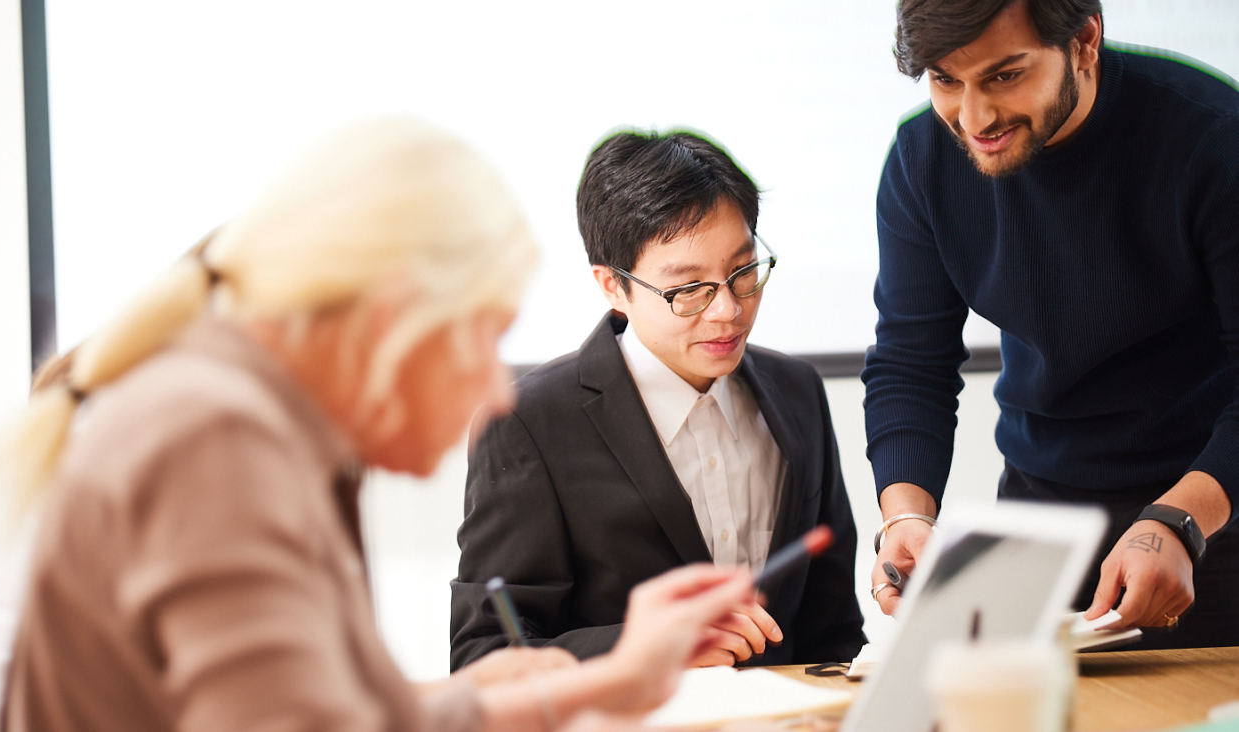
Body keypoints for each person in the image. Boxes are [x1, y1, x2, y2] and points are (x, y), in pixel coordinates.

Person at [0, 118, 760, 732]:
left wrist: (609, 677)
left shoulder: (262, 429)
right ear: (396, 320)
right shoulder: (217, 439)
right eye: (485, 339)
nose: (497, 395)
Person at [864, 0, 1239, 649]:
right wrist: (906, 515)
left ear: (1085, 41)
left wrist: (1179, 523)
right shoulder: (923, 159)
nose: (973, 119)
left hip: (1212, 505)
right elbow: (910, 361)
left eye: (1005, 76)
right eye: (947, 80)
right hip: (1039, 512)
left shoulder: (1213, 139)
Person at [451, 129, 865, 671]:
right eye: (688, 288)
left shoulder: (798, 393)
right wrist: (641, 649)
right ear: (612, 286)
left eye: (743, 272)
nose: (727, 311)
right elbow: (485, 654)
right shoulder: (529, 423)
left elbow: (832, 629)